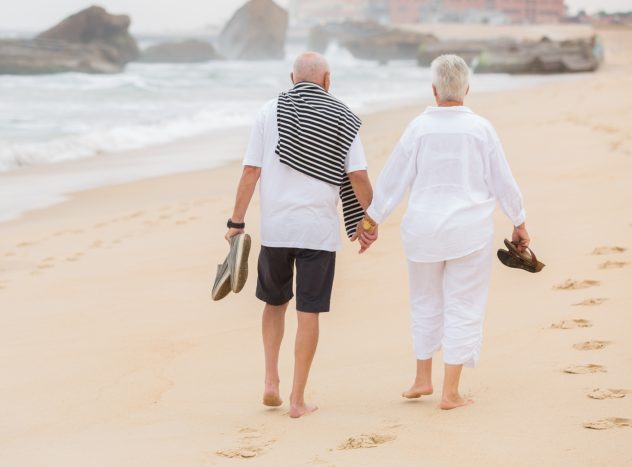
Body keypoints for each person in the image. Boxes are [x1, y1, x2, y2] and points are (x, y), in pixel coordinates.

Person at [358, 54, 530, 410]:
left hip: (423, 232)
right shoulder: (481, 129)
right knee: (464, 305)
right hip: (469, 233)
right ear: (466, 89)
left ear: (433, 90)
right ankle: (450, 392)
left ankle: (422, 378)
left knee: (425, 301)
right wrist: (519, 220)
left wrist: (372, 220)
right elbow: (502, 180)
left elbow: (393, 179)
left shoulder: (418, 128)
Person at [225, 52, 376, 418]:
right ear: (327, 80)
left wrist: (236, 221)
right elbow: (356, 177)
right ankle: (296, 399)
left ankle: (270, 381)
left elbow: (250, 170)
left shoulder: (268, 111)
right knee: (308, 313)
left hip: (277, 230)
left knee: (274, 304)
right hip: (318, 234)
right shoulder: (342, 116)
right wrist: (368, 218)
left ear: (292, 78)